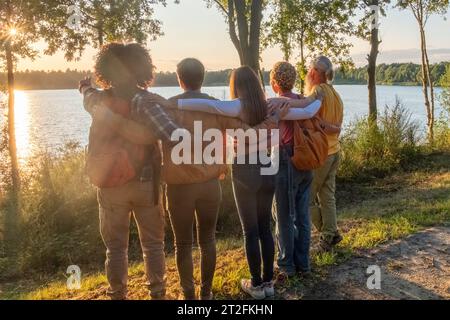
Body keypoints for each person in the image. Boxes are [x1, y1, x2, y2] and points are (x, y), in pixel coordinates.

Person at [88, 56, 288, 300]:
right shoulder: (217, 107)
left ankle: (188, 294)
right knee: (208, 240)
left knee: (182, 244)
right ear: (202, 78)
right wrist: (272, 121)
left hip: (179, 186)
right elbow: (248, 134)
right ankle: (206, 293)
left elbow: (153, 133)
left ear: (179, 79)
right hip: (210, 184)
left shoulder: (167, 105)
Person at [174, 66, 322, 299]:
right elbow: (309, 111)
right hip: (269, 168)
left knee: (250, 230)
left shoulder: (236, 106)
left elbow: (207, 105)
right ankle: (268, 283)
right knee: (265, 227)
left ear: (236, 85)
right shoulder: (271, 105)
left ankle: (255, 284)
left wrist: (174, 103)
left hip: (245, 170)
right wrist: (318, 97)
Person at [79, 43, 185, 300]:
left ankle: (118, 294)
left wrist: (83, 87)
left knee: (115, 248)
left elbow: (88, 94)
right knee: (153, 245)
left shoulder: (98, 101)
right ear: (142, 68)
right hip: (145, 183)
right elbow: (173, 135)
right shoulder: (146, 101)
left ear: (106, 70)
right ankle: (158, 292)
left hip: (109, 183)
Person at [270, 61, 314, 279]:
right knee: (303, 214)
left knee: (284, 214)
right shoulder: (302, 101)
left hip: (286, 158)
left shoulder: (277, 103)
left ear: (275, 83)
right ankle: (303, 263)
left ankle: (286, 265)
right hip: (306, 159)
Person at [305, 56, 344, 253]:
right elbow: (338, 129)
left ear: (314, 72)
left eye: (309, 69)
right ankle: (331, 233)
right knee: (327, 196)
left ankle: (328, 235)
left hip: (322, 154)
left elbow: (305, 108)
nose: (308, 73)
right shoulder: (336, 94)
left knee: (306, 198)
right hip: (335, 151)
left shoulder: (318, 91)